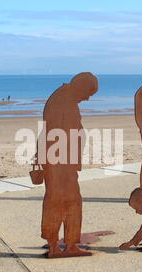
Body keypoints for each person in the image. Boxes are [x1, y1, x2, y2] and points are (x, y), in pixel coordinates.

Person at [38, 72, 98, 258]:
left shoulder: (66, 98)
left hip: (64, 161)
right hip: (59, 162)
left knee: (70, 202)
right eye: (88, 93)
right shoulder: (61, 100)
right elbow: (53, 134)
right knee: (59, 201)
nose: (87, 98)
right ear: (80, 86)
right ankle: (56, 245)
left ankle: (70, 243)